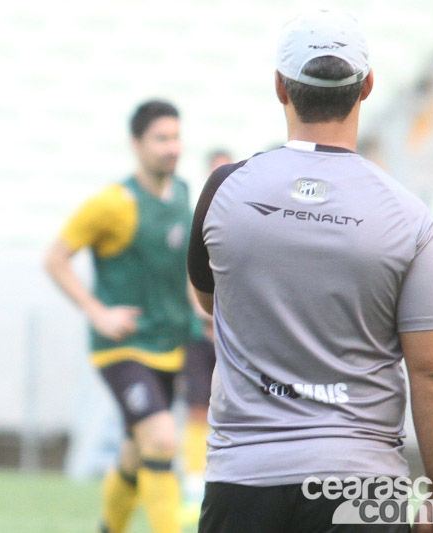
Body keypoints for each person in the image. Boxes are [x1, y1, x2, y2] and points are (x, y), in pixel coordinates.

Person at [188, 9, 433, 532]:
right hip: (365, 487)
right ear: (367, 88)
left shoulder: (223, 191)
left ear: (280, 87)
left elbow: (210, 299)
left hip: (243, 480)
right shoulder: (407, 216)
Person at [45, 99, 192, 533]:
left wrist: (201, 312)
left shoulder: (183, 193)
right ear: (136, 144)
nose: (172, 147)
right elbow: (56, 258)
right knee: (163, 439)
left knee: (136, 451)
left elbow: (178, 268)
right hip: (123, 346)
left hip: (169, 344)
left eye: (176, 137)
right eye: (161, 138)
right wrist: (97, 312)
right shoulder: (113, 203)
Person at [179, 149, 231, 525]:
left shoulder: (245, 214)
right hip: (202, 328)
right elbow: (191, 276)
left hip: (232, 330)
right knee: (199, 405)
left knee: (228, 408)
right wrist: (208, 321)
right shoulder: (196, 216)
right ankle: (194, 479)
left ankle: (219, 474)